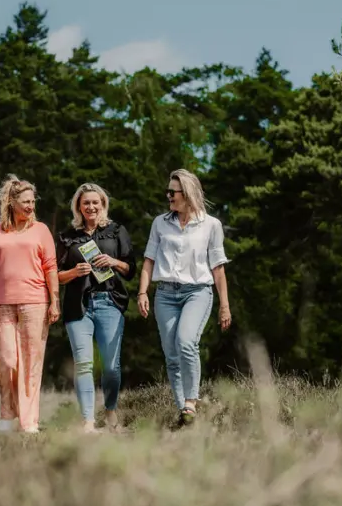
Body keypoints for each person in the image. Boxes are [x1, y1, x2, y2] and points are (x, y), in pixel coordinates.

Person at [137, 169, 232, 428]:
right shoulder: (160, 223)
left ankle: (191, 401)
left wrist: (224, 305)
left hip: (197, 292)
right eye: (168, 191)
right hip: (165, 294)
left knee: (186, 342)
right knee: (171, 355)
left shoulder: (211, 225)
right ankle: (185, 413)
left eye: (173, 192)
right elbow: (149, 260)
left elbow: (218, 268)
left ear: (188, 194)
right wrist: (143, 292)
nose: (168, 196)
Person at [0, 176, 60, 434]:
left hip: (35, 303)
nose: (31, 206)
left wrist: (54, 301)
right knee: (7, 361)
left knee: (32, 363)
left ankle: (29, 421)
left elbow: (51, 267)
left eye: (33, 201)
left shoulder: (41, 230)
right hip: (2, 305)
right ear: (11, 203)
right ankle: (7, 414)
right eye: (26, 202)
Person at [56, 183, 136, 433]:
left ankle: (110, 410)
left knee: (111, 366)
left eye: (95, 202)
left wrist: (114, 261)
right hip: (78, 306)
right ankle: (88, 421)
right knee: (83, 364)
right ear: (78, 207)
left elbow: (131, 269)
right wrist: (73, 272)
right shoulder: (67, 236)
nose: (91, 207)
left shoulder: (116, 231)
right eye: (86, 203)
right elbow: (55, 275)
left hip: (109, 302)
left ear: (103, 204)